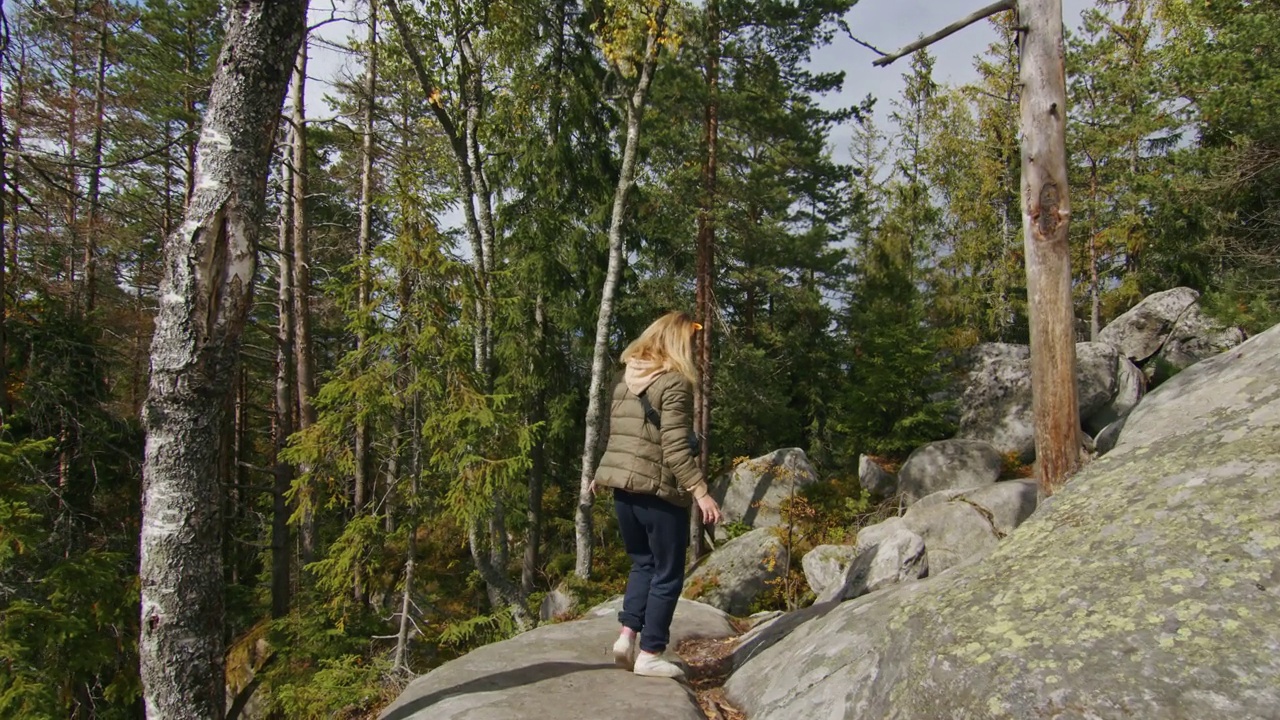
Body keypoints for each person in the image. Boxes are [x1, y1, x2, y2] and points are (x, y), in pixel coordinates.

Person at [590, 311, 723, 679]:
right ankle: (650, 652)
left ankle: (626, 636)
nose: (695, 347)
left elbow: (615, 436)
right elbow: (676, 447)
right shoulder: (674, 383)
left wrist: (600, 475)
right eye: (692, 340)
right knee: (667, 573)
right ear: (679, 342)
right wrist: (701, 492)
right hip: (659, 493)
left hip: (623, 491)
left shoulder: (624, 379)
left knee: (642, 564)